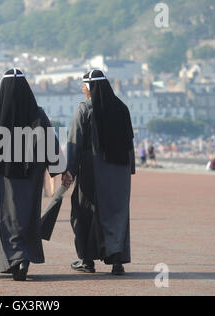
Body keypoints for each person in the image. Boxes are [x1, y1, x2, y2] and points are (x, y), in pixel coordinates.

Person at [0, 69, 63, 281]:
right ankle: (24, 257)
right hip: (31, 174)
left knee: (4, 216)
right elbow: (51, 142)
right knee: (26, 215)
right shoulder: (37, 113)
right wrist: (58, 169)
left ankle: (11, 259)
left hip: (2, 175)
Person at [63, 70, 135, 276]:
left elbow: (74, 142)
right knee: (117, 215)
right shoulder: (122, 108)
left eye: (84, 85)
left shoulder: (84, 109)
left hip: (92, 170)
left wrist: (70, 170)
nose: (82, 89)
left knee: (84, 213)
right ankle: (117, 261)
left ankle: (87, 260)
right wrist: (130, 169)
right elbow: (129, 141)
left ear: (91, 87)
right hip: (119, 171)